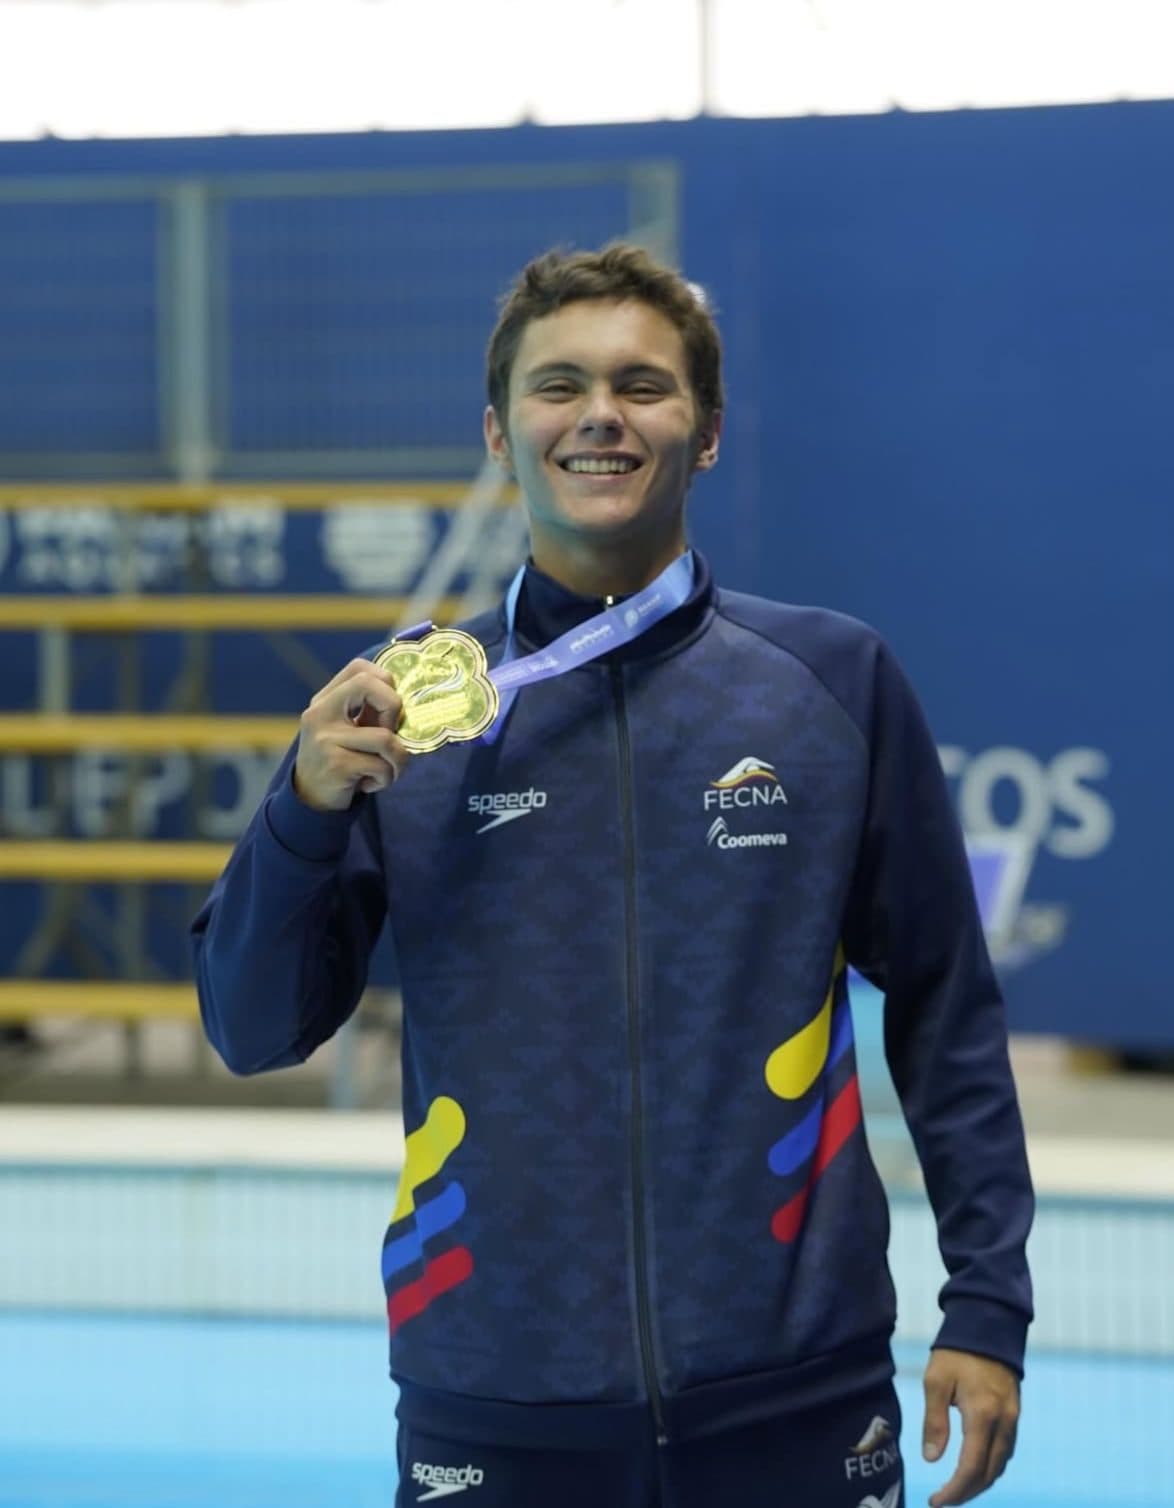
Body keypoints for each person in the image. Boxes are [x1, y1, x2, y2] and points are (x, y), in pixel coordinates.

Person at [192, 243, 1033, 1508]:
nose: (599, 414)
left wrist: (987, 1301)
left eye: (643, 385)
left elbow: (944, 1006)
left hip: (795, 1386)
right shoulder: (398, 717)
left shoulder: (827, 683)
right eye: (558, 386)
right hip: (494, 1389)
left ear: (703, 434)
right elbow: (251, 1030)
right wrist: (302, 812)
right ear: (498, 431)